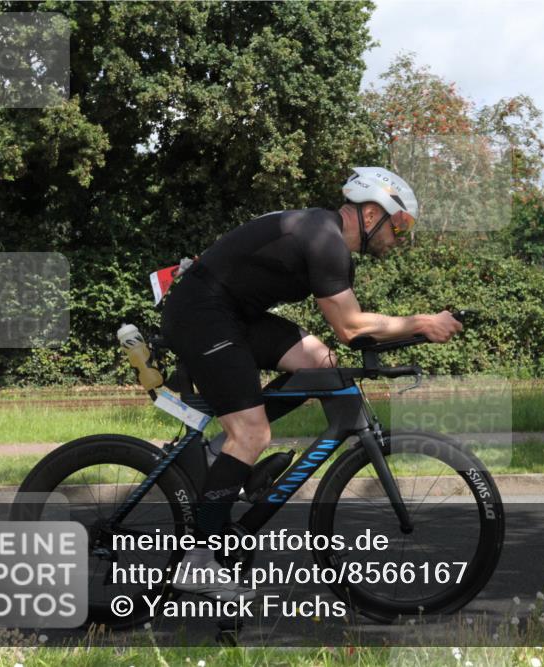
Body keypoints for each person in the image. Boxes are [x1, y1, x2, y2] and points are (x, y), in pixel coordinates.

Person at [159, 167, 463, 600]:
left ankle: (217, 456)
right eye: (398, 224)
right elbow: (352, 326)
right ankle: (198, 563)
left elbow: (345, 335)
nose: (398, 237)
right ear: (372, 211)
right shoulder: (326, 241)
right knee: (252, 432)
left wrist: (415, 328)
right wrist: (422, 322)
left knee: (318, 360)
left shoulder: (326, 234)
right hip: (202, 313)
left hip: (231, 313)